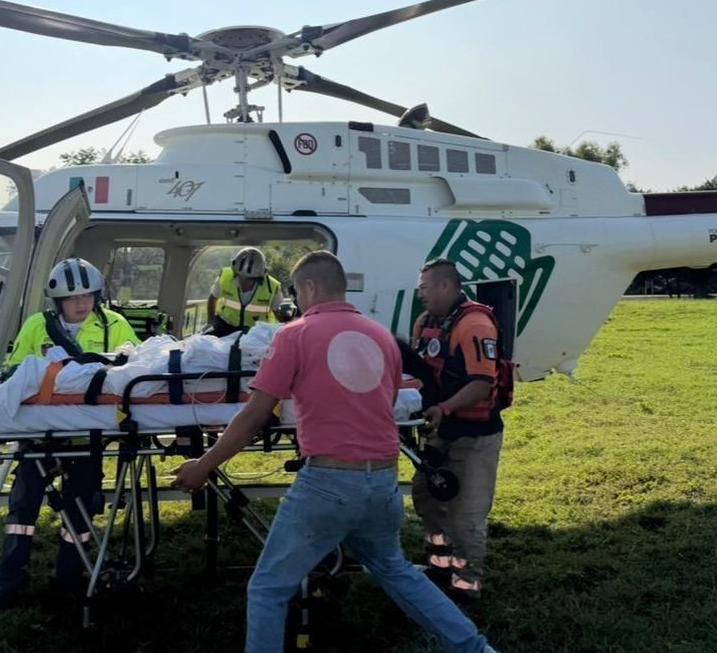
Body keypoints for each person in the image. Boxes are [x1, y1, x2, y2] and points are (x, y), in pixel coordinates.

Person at [173, 250, 498, 653]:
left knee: (269, 588)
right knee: (397, 572)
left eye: (297, 291)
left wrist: (205, 465)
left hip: (327, 484)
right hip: (381, 482)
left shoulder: (294, 335)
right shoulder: (382, 337)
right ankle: (476, 648)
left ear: (309, 287)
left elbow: (255, 414)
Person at [0, 257, 141, 609]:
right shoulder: (35, 327)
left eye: (88, 295)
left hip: (88, 435)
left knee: (82, 508)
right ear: (58, 302)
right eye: (73, 298)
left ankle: (69, 579)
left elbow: (135, 368)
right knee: (23, 508)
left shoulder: (115, 325)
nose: (81, 303)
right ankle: (9, 583)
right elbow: (16, 371)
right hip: (40, 433)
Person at [410, 259, 510, 604]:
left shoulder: (475, 324)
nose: (420, 294)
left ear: (445, 286)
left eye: (424, 287)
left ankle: (465, 587)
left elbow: (482, 384)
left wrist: (445, 408)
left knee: (466, 514)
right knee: (427, 499)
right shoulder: (426, 323)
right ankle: (439, 566)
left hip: (475, 434)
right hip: (438, 432)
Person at [206, 246, 283, 335]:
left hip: (255, 330)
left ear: (260, 278)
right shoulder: (225, 277)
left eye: (249, 280)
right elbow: (212, 299)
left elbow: (280, 314)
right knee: (206, 340)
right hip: (225, 324)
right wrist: (210, 323)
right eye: (240, 278)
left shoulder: (272, 287)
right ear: (235, 273)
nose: (244, 283)